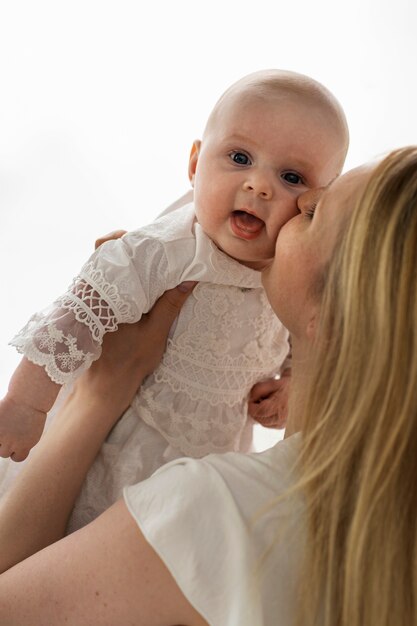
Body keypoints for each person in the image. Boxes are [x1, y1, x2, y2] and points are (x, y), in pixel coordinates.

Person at [0, 146, 415, 626]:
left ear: (338, 320)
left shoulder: (217, 514)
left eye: (314, 211)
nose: (292, 201)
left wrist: (99, 396)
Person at [0, 70, 349, 528]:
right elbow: (74, 318)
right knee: (78, 536)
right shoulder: (167, 248)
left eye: (291, 176)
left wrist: (289, 386)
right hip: (113, 446)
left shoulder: (290, 275)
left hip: (201, 469)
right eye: (240, 157)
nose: (260, 186)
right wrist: (26, 405)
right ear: (195, 164)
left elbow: (302, 341)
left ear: (316, 207)